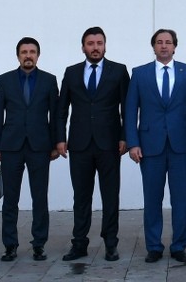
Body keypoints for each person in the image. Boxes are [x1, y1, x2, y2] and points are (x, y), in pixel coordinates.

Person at [125, 28, 186, 264]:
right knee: (152, 198)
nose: (164, 46)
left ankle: (179, 246)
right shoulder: (140, 74)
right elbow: (130, 111)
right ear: (153, 46)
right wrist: (133, 143)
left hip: (181, 145)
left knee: (180, 198)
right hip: (150, 146)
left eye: (168, 42)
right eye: (159, 42)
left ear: (175, 46)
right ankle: (154, 246)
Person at [55, 27, 130, 262]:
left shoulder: (119, 71)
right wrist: (60, 138)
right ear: (83, 47)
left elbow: (127, 108)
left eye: (99, 43)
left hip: (109, 144)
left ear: (105, 46)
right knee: (81, 197)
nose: (95, 47)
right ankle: (79, 243)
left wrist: (125, 137)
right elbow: (61, 109)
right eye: (90, 43)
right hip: (79, 144)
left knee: (110, 196)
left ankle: (110, 243)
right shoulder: (71, 72)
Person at [0, 37, 59, 262]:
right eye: (24, 52)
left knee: (40, 198)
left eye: (32, 52)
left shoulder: (49, 80)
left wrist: (56, 143)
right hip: (11, 146)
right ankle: (10, 245)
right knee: (10, 199)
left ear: (38, 55)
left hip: (40, 147)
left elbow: (55, 115)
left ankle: (39, 244)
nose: (28, 55)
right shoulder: (5, 80)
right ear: (18, 55)